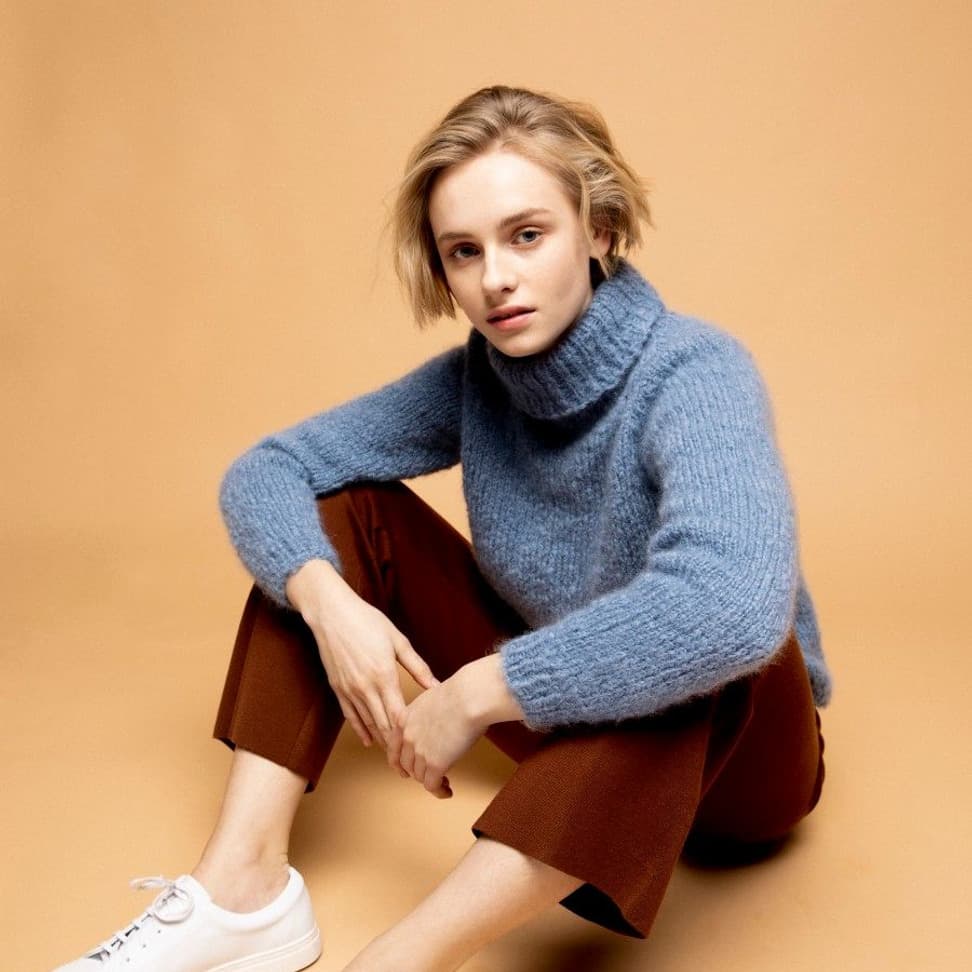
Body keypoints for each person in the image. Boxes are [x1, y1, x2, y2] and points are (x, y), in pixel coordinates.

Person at [53, 84, 832, 972]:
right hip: (570, 727)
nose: (494, 277)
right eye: (464, 251)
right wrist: (329, 606)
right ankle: (243, 888)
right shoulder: (475, 381)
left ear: (601, 230)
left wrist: (471, 694)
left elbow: (729, 606)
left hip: (743, 774)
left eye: (526, 235)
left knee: (696, 629)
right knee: (337, 516)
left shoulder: (696, 371)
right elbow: (267, 470)